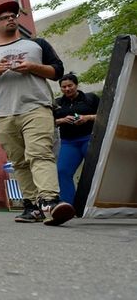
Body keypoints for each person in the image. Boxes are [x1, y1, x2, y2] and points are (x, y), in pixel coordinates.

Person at [0, 0, 74, 226]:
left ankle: (50, 202)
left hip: (36, 107)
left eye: (13, 15)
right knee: (19, 161)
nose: (11, 18)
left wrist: (32, 67)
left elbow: (57, 71)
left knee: (40, 153)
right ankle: (31, 206)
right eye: (4, 17)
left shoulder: (37, 45)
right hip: (2, 114)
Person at [53, 73, 99, 205]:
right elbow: (48, 122)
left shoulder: (90, 98)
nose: (67, 89)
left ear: (76, 85)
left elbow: (105, 115)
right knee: (62, 171)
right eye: (64, 87)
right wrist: (62, 120)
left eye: (70, 86)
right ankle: (68, 205)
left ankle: (96, 204)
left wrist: (87, 118)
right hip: (69, 142)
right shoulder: (57, 103)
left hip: (89, 139)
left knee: (95, 170)